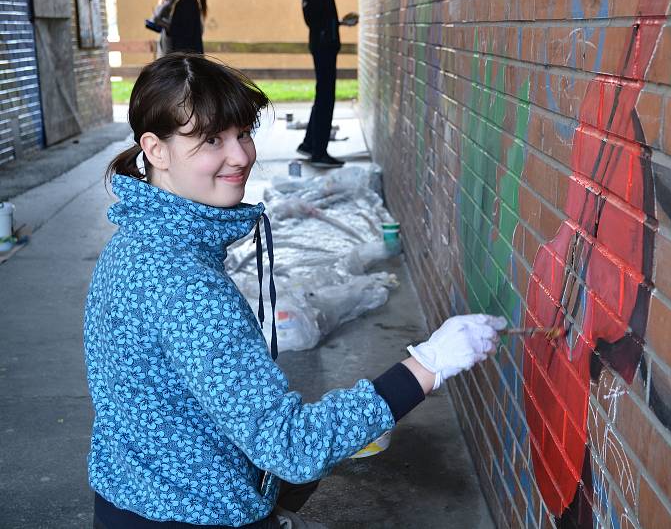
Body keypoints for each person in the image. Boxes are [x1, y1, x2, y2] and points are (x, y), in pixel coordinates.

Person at [86, 52, 507, 528]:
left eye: (242, 133)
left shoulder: (136, 240)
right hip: (191, 516)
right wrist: (425, 367)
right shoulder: (185, 284)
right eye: (210, 140)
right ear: (155, 149)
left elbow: (174, 406)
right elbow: (289, 445)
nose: (241, 156)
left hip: (132, 502)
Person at [296, 0, 358, 169]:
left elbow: (320, 19)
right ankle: (319, 153)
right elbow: (318, 21)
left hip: (322, 44)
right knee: (325, 99)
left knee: (322, 96)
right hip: (325, 47)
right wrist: (332, 25)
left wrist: (339, 22)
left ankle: (309, 144)